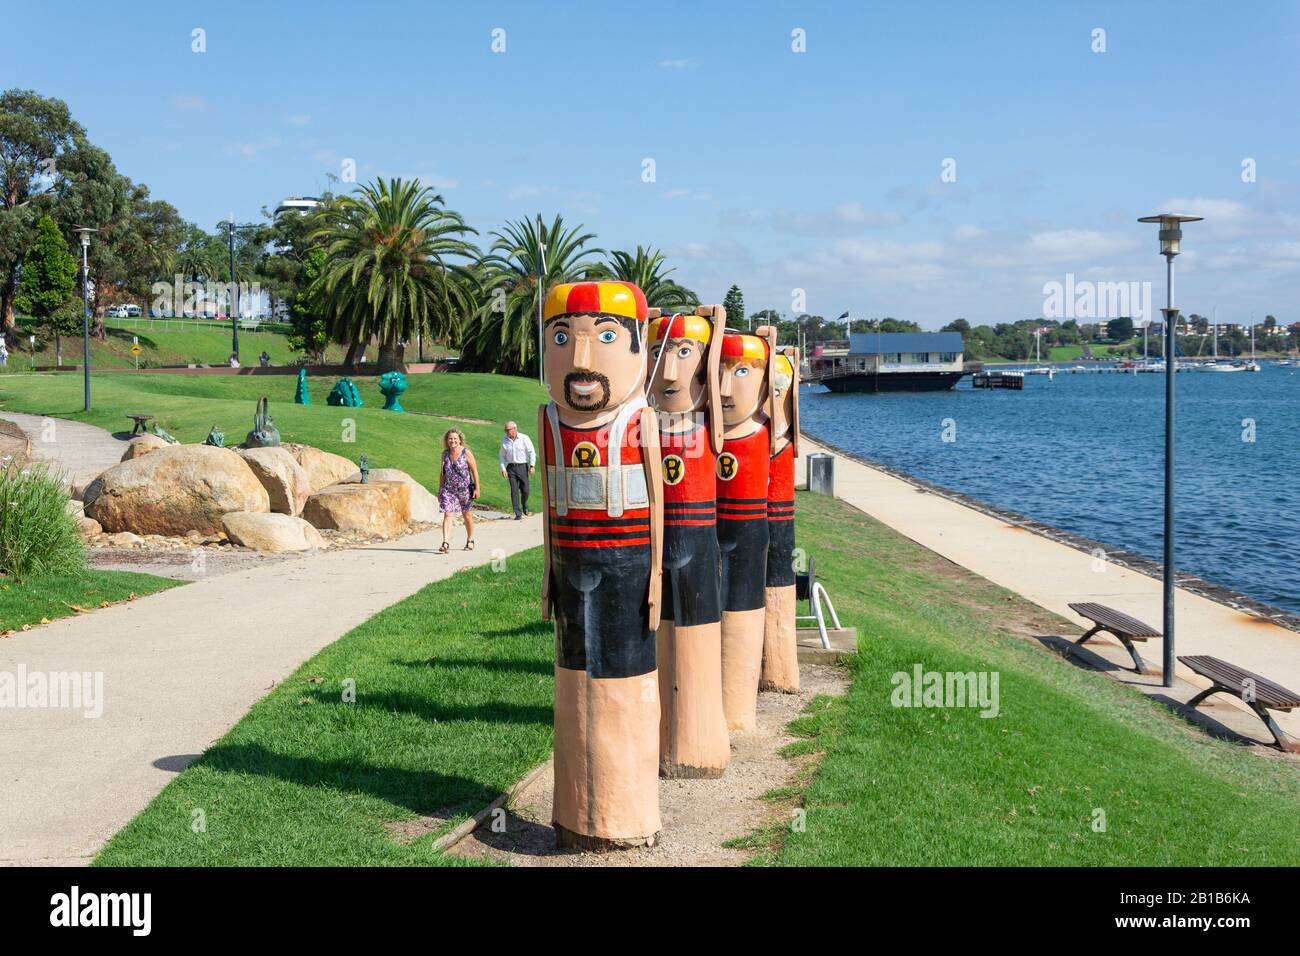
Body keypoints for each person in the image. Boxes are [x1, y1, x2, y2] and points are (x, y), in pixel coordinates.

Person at [437, 428, 479, 552]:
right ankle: (445, 542)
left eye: (455, 438)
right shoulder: (444, 454)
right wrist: (440, 490)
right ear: (447, 440)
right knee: (448, 514)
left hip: (464, 490)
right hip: (448, 489)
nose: (453, 441)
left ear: (460, 440)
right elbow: (442, 473)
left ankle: (470, 540)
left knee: (467, 515)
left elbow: (474, 471)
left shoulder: (466, 453)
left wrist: (477, 488)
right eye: (450, 438)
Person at [498, 420, 536, 519]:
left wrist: (532, 466)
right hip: (511, 468)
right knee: (514, 490)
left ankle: (524, 504)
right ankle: (517, 513)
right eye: (505, 430)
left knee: (525, 490)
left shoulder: (524, 438)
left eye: (508, 430)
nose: (507, 432)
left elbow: (531, 452)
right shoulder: (504, 440)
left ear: (515, 429)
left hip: (522, 467)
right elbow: (502, 456)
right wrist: (503, 469)